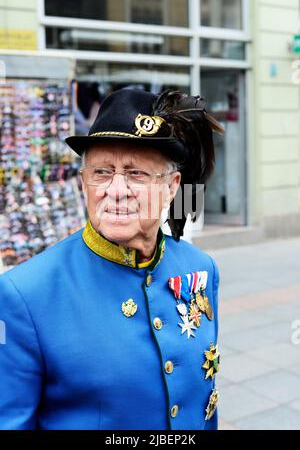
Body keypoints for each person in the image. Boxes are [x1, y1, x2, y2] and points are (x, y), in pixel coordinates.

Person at [0, 88, 223, 430]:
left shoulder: (199, 269)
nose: (116, 190)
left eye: (136, 174)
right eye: (102, 172)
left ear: (172, 186)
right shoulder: (23, 293)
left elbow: (204, 402)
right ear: (83, 183)